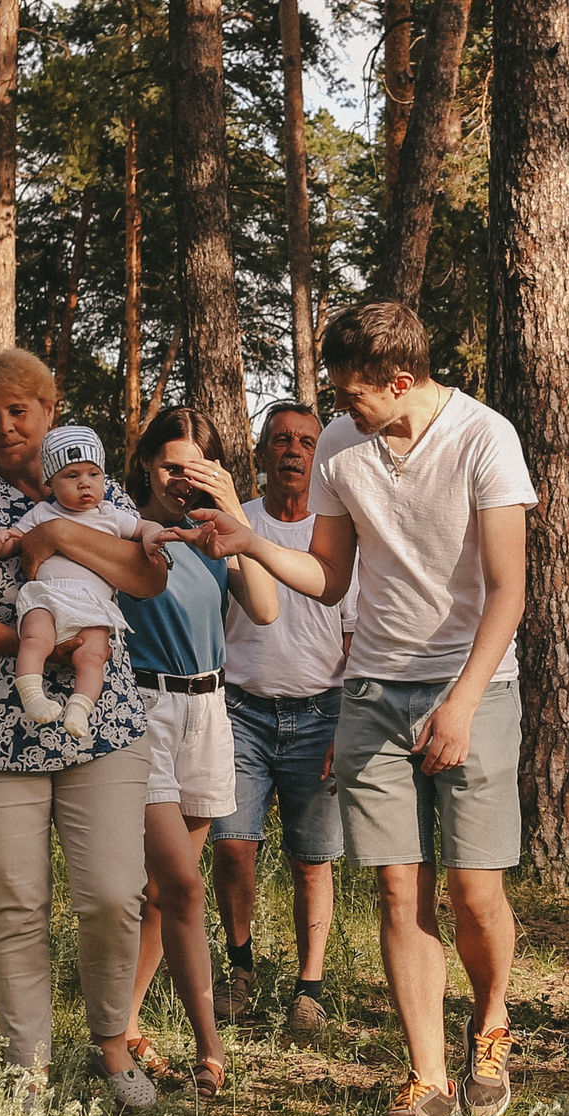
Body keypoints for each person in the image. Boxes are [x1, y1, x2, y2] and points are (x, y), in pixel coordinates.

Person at [175, 301, 531, 1116]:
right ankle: (429, 1077)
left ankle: (490, 1022)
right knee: (398, 884)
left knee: (474, 891)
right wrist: (252, 544)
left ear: (399, 381)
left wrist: (464, 703)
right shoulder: (342, 444)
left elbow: (508, 589)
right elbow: (330, 578)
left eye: (352, 392)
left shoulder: (487, 439)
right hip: (372, 688)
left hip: (473, 683)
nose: (340, 408)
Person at [0, 348, 168, 1109]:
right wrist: (32, 641)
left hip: (101, 728)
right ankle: (27, 1069)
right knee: (17, 902)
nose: (5, 426)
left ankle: (114, 1045)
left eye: (20, 410)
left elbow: (147, 579)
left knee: (115, 893)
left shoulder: (98, 489)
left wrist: (61, 542)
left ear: (51, 412)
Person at [26, 406, 299, 1102]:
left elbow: (265, 608)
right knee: (182, 884)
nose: (182, 480)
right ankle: (211, 1050)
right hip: (138, 707)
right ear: (145, 463)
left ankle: (126, 1023)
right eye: (171, 465)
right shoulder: (115, 520)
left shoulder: (215, 532)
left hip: (209, 710)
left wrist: (232, 514)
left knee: (162, 895)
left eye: (196, 467)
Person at [212, 400, 354, 1039]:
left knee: (312, 859)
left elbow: (356, 637)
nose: (294, 451)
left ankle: (310, 991)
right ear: (262, 452)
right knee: (234, 847)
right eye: (281, 440)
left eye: (306, 441)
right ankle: (239, 971)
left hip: (321, 714)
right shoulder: (229, 523)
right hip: (239, 709)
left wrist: (348, 724)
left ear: (319, 455)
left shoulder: (339, 532)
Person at [0, 425, 162, 740]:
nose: (85, 483)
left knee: (94, 655)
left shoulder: (111, 515)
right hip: (48, 596)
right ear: (52, 483)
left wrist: (152, 537)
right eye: (71, 476)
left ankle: (79, 709)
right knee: (34, 639)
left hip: (92, 605)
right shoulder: (42, 513)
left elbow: (144, 527)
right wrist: (2, 540)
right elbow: (15, 540)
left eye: (93, 474)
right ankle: (32, 694)